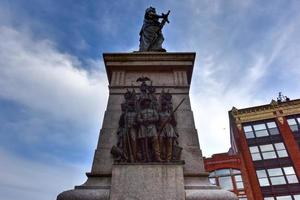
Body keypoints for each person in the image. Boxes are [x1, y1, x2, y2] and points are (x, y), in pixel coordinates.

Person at [137, 98, 161, 162]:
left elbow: (157, 117)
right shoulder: (141, 111)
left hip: (152, 127)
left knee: (155, 141)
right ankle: (145, 158)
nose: (147, 103)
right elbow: (138, 119)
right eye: (145, 102)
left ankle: (157, 157)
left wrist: (150, 120)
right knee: (143, 143)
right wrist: (143, 121)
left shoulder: (153, 111)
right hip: (143, 127)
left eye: (148, 102)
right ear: (144, 103)